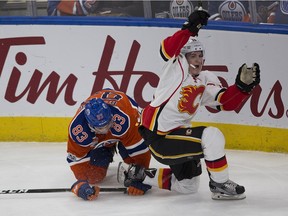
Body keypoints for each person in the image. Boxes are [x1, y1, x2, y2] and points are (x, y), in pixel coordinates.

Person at [117, 8, 260, 200]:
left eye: (200, 55)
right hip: (159, 137)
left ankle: (137, 174)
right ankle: (219, 184)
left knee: (188, 186)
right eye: (193, 55)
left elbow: (225, 103)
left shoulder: (206, 79)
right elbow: (167, 48)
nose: (198, 59)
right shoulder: (176, 69)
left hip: (176, 137)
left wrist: (242, 87)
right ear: (184, 58)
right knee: (211, 136)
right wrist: (190, 28)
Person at [67, 89, 151, 200]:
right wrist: (82, 183)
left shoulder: (126, 117)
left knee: (132, 166)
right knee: (94, 177)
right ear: (89, 124)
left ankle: (122, 144)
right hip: (105, 136)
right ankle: (107, 147)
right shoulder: (78, 129)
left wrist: (139, 177)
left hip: (128, 127)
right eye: (101, 128)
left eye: (108, 124)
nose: (106, 129)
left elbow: (141, 152)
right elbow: (76, 159)